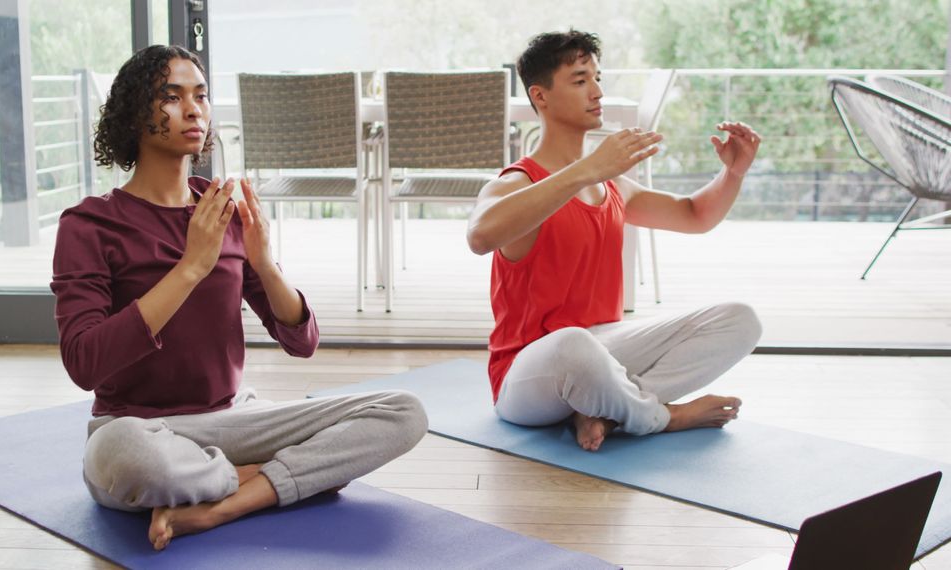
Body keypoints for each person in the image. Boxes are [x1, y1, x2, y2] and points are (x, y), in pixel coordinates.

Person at [50, 45, 427, 551]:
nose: (194, 109)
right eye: (171, 96)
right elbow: (83, 363)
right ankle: (269, 479)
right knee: (126, 459)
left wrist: (265, 262)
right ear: (135, 113)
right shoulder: (90, 224)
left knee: (403, 411)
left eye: (201, 96)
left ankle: (221, 505)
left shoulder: (221, 209)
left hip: (234, 418)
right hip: (138, 429)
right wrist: (190, 268)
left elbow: (301, 341)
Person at [466, 31, 763, 452]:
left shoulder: (611, 185)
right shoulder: (519, 182)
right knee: (574, 344)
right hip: (529, 373)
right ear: (541, 96)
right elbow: (480, 236)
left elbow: (695, 216)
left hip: (604, 349)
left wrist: (732, 174)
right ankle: (661, 416)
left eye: (598, 78)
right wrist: (585, 170)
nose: (598, 91)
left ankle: (605, 409)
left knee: (740, 318)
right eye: (580, 79)